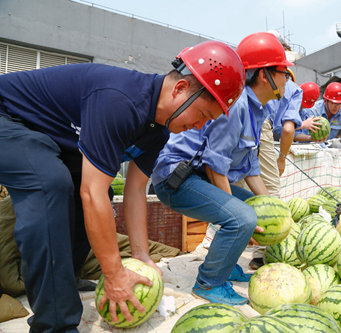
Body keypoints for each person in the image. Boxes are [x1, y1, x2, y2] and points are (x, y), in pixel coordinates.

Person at [0, 40, 245, 331]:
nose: (201, 126)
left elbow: (135, 190)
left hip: (47, 135)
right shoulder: (120, 100)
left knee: (100, 188)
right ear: (180, 90)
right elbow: (90, 196)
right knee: (50, 184)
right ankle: (54, 324)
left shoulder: (158, 129)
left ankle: (65, 276)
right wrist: (114, 273)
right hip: (9, 118)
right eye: (203, 115)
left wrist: (142, 254)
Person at [151, 31, 293, 306]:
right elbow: (217, 166)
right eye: (283, 72)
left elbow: (251, 167)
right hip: (177, 180)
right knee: (242, 217)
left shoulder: (258, 109)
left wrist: (272, 207)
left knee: (255, 209)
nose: (287, 79)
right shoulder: (238, 105)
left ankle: (225, 266)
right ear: (264, 76)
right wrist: (242, 215)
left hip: (198, 178)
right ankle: (209, 283)